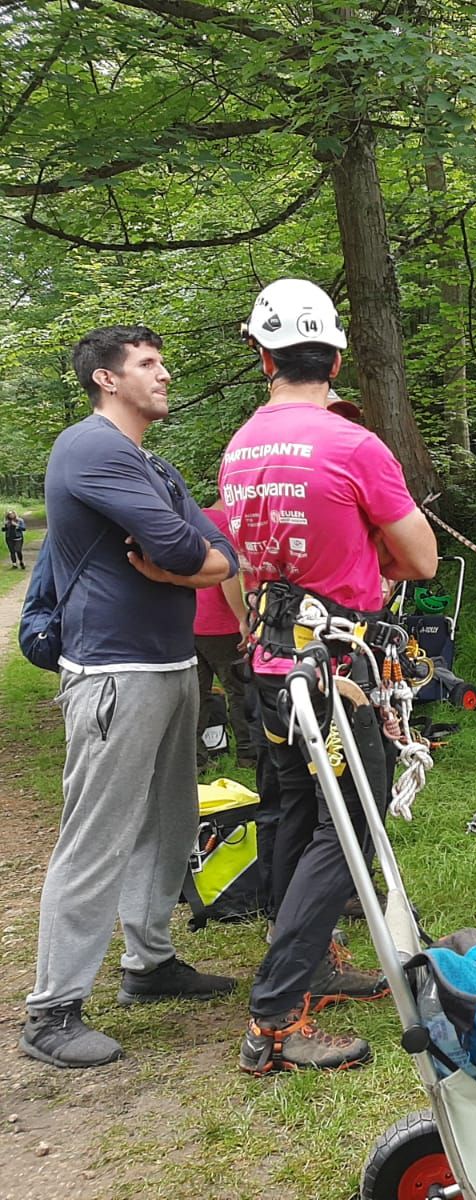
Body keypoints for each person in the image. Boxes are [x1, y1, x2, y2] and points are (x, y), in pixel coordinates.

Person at [221, 278, 437, 1074]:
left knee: (291, 814)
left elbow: (237, 572)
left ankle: (312, 964)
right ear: (338, 357)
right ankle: (274, 1019)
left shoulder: (241, 446)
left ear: (263, 354)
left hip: (271, 664)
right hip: (336, 670)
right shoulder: (354, 445)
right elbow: (421, 559)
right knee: (345, 824)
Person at [21, 326, 240, 1070]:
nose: (165, 373)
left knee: (169, 825)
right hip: (115, 674)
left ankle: (148, 965)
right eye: (148, 364)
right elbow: (188, 549)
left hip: (174, 667)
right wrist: (189, 565)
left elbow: (220, 553)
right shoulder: (91, 449)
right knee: (97, 838)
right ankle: (51, 1010)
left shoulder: (152, 462)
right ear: (107, 380)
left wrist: (185, 569)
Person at [193, 503, 256, 769]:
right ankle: (249, 755)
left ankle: (195, 758)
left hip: (190, 621)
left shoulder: (194, 518)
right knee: (240, 691)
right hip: (221, 625)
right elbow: (228, 575)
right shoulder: (224, 524)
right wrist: (243, 618)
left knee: (196, 695)